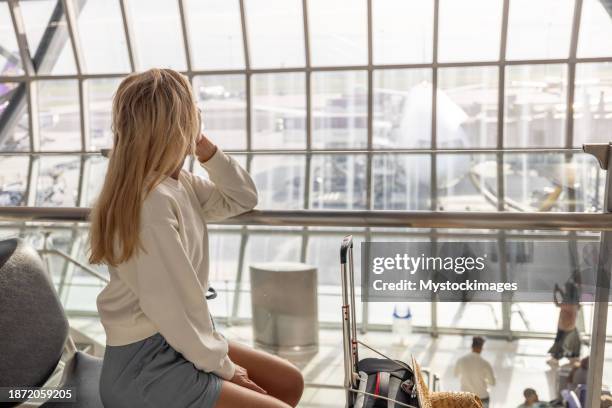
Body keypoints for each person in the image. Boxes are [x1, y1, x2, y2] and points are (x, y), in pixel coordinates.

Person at [89, 69, 304, 408]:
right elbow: (171, 309)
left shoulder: (179, 183)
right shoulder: (151, 202)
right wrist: (226, 369)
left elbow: (242, 197)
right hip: (147, 366)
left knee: (288, 381)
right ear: (178, 124)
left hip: (173, 339)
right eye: (194, 109)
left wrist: (206, 149)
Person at [454, 336, 496, 407]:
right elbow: (492, 382)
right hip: (482, 397)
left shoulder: (461, 360)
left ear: (472, 346)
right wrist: (484, 379)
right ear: (481, 348)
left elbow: (455, 374)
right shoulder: (485, 363)